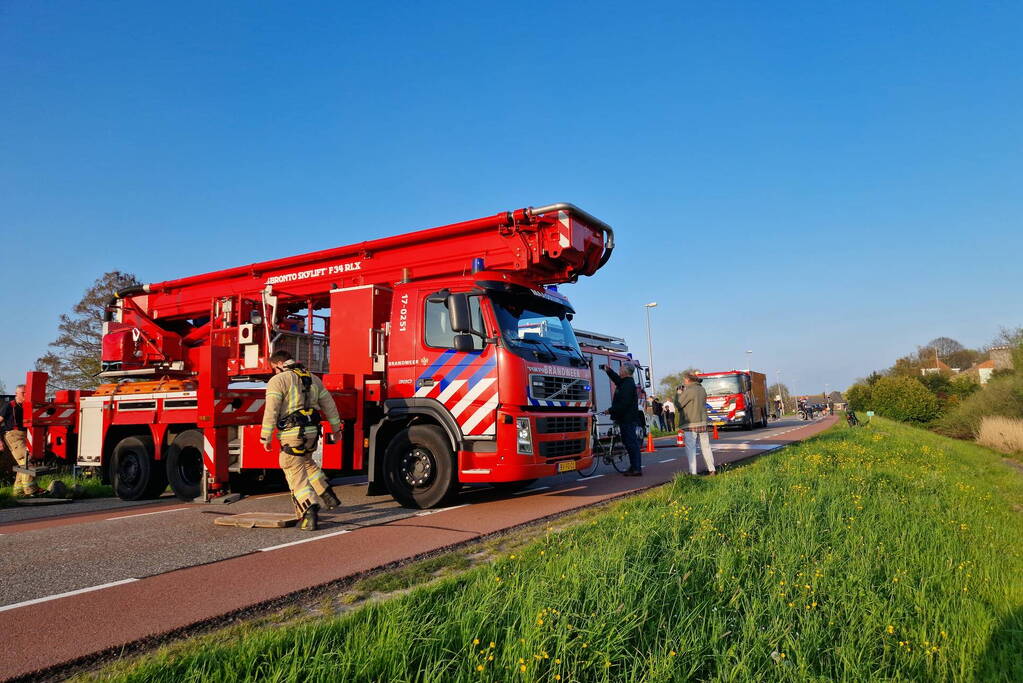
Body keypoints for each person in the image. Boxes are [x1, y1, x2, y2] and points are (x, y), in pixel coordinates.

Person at [261, 350, 344, 530]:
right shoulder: (313, 379)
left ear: (279, 364)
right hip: (312, 433)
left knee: (293, 472)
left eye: (273, 369)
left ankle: (309, 510)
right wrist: (336, 429)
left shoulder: (278, 380)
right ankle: (327, 494)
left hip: (291, 434)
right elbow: (329, 405)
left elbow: (271, 410)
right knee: (307, 462)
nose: (274, 372)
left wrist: (265, 436)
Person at [603, 363, 643, 476]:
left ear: (626, 371)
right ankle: (634, 466)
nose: (619, 370)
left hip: (627, 419)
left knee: (631, 443)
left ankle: (636, 468)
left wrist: (610, 410)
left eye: (621, 369)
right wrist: (608, 371)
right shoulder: (626, 382)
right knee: (629, 443)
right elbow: (617, 380)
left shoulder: (628, 385)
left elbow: (623, 404)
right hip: (626, 418)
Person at [1, 385, 41, 497]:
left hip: (24, 436)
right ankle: (31, 490)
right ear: (16, 393)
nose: (25, 395)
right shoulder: (9, 406)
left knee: (22, 464)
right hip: (13, 436)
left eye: (27, 393)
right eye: (23, 393)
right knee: (27, 461)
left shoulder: (27, 406)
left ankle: (18, 492)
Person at [677, 372, 717, 476]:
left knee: (691, 448)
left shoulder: (689, 390)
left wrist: (679, 393)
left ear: (688, 380)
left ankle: (692, 472)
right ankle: (711, 469)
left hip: (691, 423)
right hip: (702, 421)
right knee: (706, 446)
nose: (684, 382)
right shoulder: (702, 389)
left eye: (684, 380)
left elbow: (679, 404)